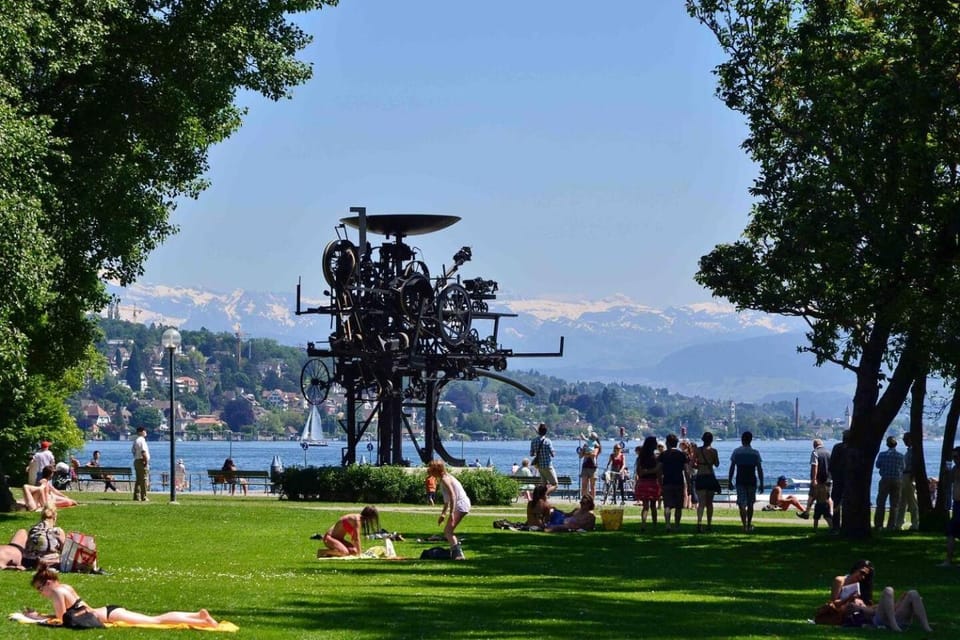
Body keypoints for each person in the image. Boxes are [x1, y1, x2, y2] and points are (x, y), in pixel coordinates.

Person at [29, 566, 220, 628]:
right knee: (156, 619)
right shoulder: (65, 587)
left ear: (47, 584)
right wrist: (42, 615)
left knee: (156, 621)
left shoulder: (56, 592)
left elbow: (62, 620)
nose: (40, 593)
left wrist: (38, 619)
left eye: (39, 589)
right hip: (108, 611)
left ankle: (203, 622)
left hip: (110, 616)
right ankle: (196, 616)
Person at [828, 560, 932, 632]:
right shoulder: (841, 581)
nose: (862, 577)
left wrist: (893, 604)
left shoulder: (863, 588)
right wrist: (850, 600)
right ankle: (894, 626)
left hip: (881, 615)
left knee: (913, 593)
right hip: (874, 617)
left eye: (866, 576)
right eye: (861, 573)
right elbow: (833, 603)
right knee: (888, 590)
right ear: (856, 568)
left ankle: (927, 628)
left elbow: (872, 608)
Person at [429, 460, 470, 560]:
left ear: (437, 470)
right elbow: (447, 501)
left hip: (461, 505)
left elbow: (453, 496)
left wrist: (451, 513)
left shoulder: (445, 479)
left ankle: (458, 555)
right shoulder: (445, 478)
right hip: (461, 504)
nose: (429, 471)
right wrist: (443, 514)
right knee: (448, 531)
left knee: (448, 531)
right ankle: (456, 553)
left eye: (431, 470)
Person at [729, 431, 764, 533]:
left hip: (740, 480)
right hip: (751, 480)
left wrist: (730, 480)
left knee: (741, 503)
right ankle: (749, 524)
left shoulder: (736, 452)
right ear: (751, 440)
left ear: (742, 439)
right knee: (751, 503)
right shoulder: (755, 453)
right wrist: (761, 483)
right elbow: (759, 469)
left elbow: (732, 467)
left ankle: (744, 524)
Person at [693, 431, 722, 532]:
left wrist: (700, 465)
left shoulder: (697, 450)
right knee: (709, 503)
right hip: (710, 477)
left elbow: (692, 463)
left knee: (701, 503)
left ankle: (699, 523)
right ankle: (709, 524)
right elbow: (717, 464)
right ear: (711, 440)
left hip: (700, 476)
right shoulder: (714, 451)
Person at [658, 434, 687, 532]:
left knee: (667, 505)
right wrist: (689, 483)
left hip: (667, 482)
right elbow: (686, 470)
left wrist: (659, 482)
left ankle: (667, 524)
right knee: (678, 506)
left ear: (667, 443)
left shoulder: (663, 455)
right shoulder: (681, 455)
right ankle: (677, 525)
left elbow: (659, 469)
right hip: (679, 481)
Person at [23, 503, 65, 569]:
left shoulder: (33, 529)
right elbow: (64, 551)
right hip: (47, 562)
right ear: (55, 516)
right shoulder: (57, 531)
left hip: (28, 561)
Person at [874, 435, 904, 531]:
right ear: (896, 445)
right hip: (897, 480)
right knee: (894, 504)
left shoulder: (882, 454)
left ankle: (879, 524)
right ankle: (891, 525)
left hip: (885, 479)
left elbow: (877, 465)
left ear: (887, 444)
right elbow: (903, 468)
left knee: (881, 502)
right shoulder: (900, 456)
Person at [634, 437, 661, 531]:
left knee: (645, 506)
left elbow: (639, 472)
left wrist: (645, 472)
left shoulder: (641, 458)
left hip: (643, 482)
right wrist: (652, 471)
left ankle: (643, 524)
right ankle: (654, 525)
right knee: (653, 506)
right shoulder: (655, 458)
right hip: (653, 482)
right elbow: (658, 471)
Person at [800, 438, 831, 520]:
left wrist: (814, 479)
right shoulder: (828, 453)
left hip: (818, 479)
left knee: (811, 496)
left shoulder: (815, 452)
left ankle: (806, 513)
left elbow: (815, 466)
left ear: (814, 445)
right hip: (827, 479)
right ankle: (830, 512)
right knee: (827, 497)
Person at [895, 432, 920, 531]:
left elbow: (914, 465)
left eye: (906, 439)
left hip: (909, 476)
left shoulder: (913, 451)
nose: (904, 441)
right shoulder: (910, 451)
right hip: (905, 476)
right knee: (902, 501)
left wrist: (912, 477)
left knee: (912, 501)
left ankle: (915, 524)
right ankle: (898, 523)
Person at [941, 446, 960, 567]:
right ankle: (948, 560)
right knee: (952, 532)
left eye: (956, 457)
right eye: (953, 457)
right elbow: (948, 482)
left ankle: (948, 561)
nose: (954, 459)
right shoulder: (954, 469)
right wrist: (946, 473)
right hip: (957, 504)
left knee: (952, 532)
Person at [829, 429, 850, 532]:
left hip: (837, 479)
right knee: (848, 501)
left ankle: (835, 525)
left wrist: (833, 475)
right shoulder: (853, 449)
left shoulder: (837, 447)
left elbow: (831, 464)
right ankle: (847, 523)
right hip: (849, 479)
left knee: (836, 501)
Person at [530, 423, 558, 497]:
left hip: (540, 466)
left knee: (544, 485)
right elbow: (553, 454)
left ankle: (542, 499)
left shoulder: (534, 441)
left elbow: (531, 454)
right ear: (546, 431)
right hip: (548, 465)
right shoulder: (548, 441)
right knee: (555, 485)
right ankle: (544, 495)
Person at [578, 430, 601, 499]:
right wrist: (585, 452)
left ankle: (592, 500)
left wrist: (586, 454)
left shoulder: (596, 445)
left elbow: (594, 454)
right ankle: (584, 499)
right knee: (584, 485)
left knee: (592, 486)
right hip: (585, 467)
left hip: (593, 468)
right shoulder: (586, 444)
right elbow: (580, 456)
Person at [131, 426, 150, 502]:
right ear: (140, 432)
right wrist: (145, 461)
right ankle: (144, 497)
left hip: (136, 460)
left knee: (138, 480)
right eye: (144, 431)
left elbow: (133, 451)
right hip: (142, 461)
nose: (145, 432)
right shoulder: (142, 440)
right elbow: (143, 452)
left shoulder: (135, 441)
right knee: (144, 479)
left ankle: (136, 496)